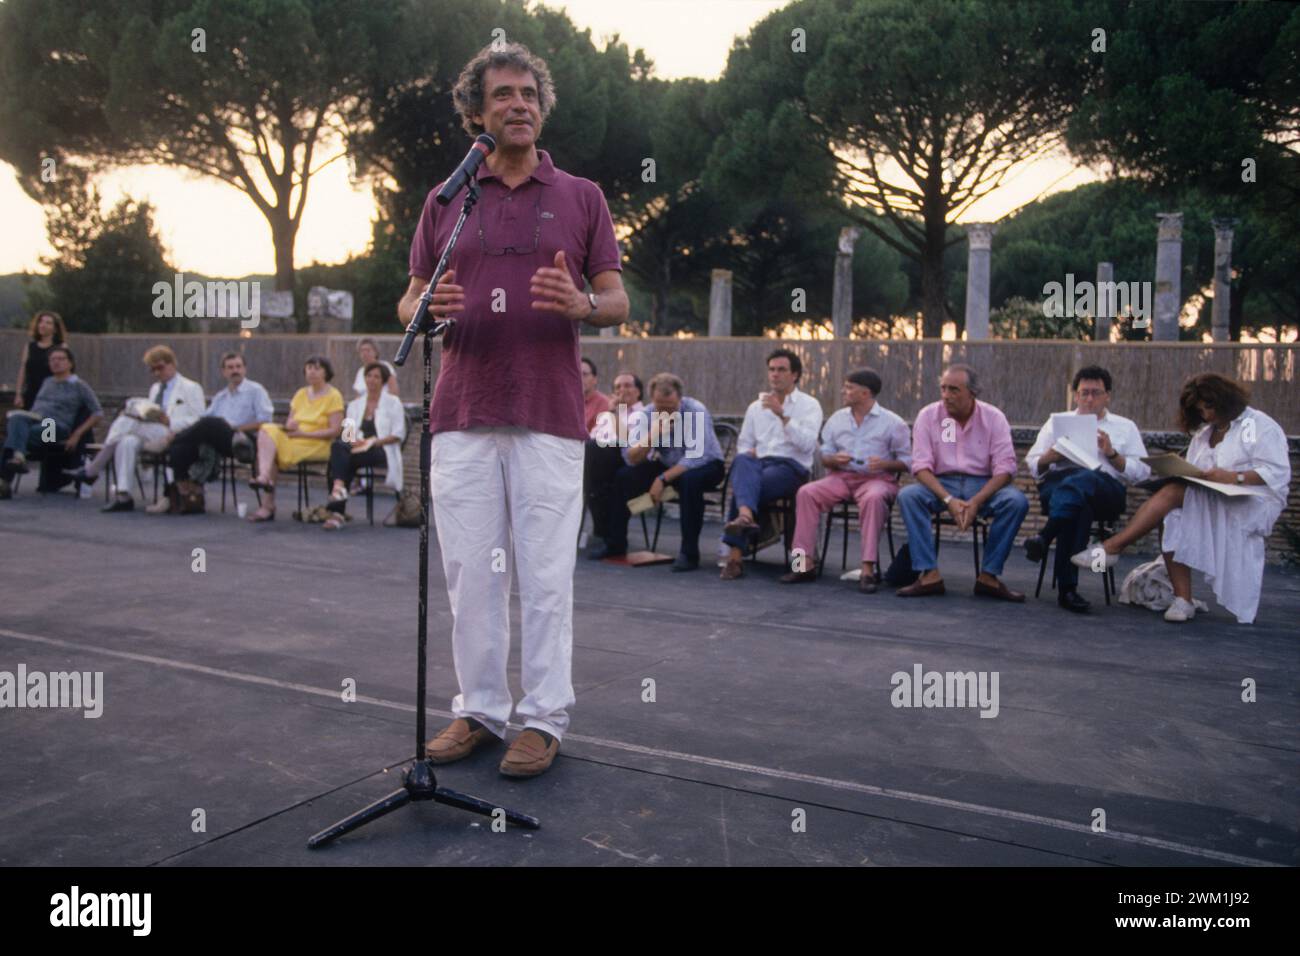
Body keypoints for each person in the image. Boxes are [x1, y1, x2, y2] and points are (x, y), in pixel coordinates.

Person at [398, 42, 629, 778]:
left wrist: (585, 305)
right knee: (471, 573)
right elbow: (407, 298)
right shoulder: (446, 199)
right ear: (477, 112)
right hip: (462, 411)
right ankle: (480, 709)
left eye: (529, 92)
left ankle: (543, 718)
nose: (519, 103)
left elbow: (619, 299)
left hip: (550, 414)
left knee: (545, 573)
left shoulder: (582, 196)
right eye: (503, 94)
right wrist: (426, 304)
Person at [1071, 373, 1290, 624]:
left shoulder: (1254, 425)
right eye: (1200, 410)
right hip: (1216, 497)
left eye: (1210, 407)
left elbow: (1277, 471)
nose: (1206, 415)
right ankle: (1182, 600)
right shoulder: (1206, 433)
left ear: (1226, 399)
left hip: (1252, 501)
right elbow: (1197, 472)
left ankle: (1111, 547)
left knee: (1174, 492)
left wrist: (1234, 477)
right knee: (1171, 512)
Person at [896, 364, 1029, 601]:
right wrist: (948, 500)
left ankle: (989, 576)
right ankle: (929, 574)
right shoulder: (928, 415)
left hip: (982, 483)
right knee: (908, 495)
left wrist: (976, 501)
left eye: (954, 390)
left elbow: (1006, 468)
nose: (946, 395)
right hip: (941, 483)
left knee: (1016, 501)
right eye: (943, 388)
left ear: (972, 393)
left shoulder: (993, 417)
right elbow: (920, 466)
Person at [1023, 366, 1150, 612]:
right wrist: (1050, 456)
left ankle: (1045, 536)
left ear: (1108, 395)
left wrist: (1112, 455)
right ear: (1075, 395)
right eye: (1084, 393)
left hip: (1105, 489)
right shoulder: (1056, 422)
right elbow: (1032, 464)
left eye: (1096, 393)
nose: (1089, 398)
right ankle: (1067, 591)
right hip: (1061, 488)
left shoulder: (1125, 426)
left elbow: (1142, 473)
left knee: (1086, 477)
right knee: (1077, 505)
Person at [782, 368, 911, 592]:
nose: (844, 391)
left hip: (877, 479)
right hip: (841, 477)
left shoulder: (893, 423)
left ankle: (868, 569)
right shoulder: (837, 419)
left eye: (849, 387)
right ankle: (802, 564)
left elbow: (908, 461)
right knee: (806, 492)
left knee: (873, 498)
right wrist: (834, 459)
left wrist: (885, 464)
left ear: (865, 393)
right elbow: (824, 457)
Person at [590, 372, 726, 571]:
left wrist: (662, 479)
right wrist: (652, 436)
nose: (666, 413)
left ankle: (689, 553)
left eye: (671, 408)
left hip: (706, 465)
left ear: (680, 398)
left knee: (690, 481)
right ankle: (615, 543)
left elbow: (697, 456)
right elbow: (630, 457)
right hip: (669, 465)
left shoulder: (695, 410)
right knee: (624, 476)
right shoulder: (647, 414)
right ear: (653, 401)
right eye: (660, 408)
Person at [720, 348, 824, 580]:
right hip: (759, 464)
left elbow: (808, 445)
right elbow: (744, 444)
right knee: (742, 461)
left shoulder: (809, 405)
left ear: (795, 375)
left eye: (781, 370)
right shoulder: (755, 407)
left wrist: (782, 415)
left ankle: (735, 557)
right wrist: (752, 453)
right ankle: (746, 517)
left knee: (744, 488)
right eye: (772, 370)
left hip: (791, 468)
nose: (775, 375)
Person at [70, 345, 205, 513]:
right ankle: (123, 496)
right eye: (153, 370)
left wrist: (169, 421)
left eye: (160, 368)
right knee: (127, 440)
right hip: (151, 433)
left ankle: (94, 467)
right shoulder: (155, 388)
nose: (157, 373)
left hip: (174, 434)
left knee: (126, 421)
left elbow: (199, 420)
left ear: (172, 364)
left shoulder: (191, 387)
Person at [143, 351, 274, 514]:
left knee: (211, 423)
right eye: (230, 367)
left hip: (244, 441)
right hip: (220, 440)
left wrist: (237, 428)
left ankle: (171, 440)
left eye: (238, 367)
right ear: (224, 372)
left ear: (245, 369)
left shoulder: (256, 390)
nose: (235, 370)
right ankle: (183, 497)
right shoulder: (221, 396)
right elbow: (201, 422)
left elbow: (266, 422)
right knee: (181, 447)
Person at [247, 356, 344, 521]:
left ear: (326, 372)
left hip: (317, 443)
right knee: (266, 429)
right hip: (295, 438)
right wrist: (290, 425)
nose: (312, 372)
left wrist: (303, 434)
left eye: (317, 368)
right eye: (309, 368)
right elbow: (290, 421)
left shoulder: (334, 395)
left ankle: (267, 505)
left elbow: (335, 431)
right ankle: (264, 477)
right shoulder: (300, 393)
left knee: (272, 454)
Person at [0, 346, 101, 499]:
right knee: (16, 418)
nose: (56, 362)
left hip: (54, 428)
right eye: (53, 360)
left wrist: (77, 434)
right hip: (34, 421)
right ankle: (18, 458)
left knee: (11, 440)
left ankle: (5, 480)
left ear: (70, 363)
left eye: (61, 359)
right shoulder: (47, 382)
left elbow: (98, 413)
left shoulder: (79, 385)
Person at [322, 362, 407, 530]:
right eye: (369, 376)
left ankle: (337, 508)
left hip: (381, 449)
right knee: (340, 447)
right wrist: (354, 440)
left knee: (340, 459)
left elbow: (398, 434)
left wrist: (373, 442)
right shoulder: (355, 404)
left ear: (383, 381)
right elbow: (347, 433)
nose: (372, 380)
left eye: (376, 377)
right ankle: (339, 489)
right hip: (357, 449)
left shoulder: (393, 402)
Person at [583, 370, 643, 554]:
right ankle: (603, 534)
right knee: (590, 456)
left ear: (638, 391)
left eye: (627, 385)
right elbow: (593, 438)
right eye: (618, 387)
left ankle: (604, 534)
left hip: (630, 462)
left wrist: (614, 413)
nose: (622, 390)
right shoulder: (610, 414)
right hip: (602, 465)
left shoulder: (642, 414)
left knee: (595, 458)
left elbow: (628, 442)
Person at [13, 310, 68, 412]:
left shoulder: (60, 348)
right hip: (30, 396)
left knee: (46, 427)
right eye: (41, 322)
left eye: (48, 323)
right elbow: (23, 370)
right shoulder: (30, 347)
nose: (43, 325)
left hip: (51, 398)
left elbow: (66, 375)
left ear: (55, 329)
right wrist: (18, 394)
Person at [581, 356, 611, 433]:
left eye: (584, 374)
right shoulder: (568, 403)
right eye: (576, 374)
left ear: (595, 379)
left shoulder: (604, 403)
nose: (580, 378)